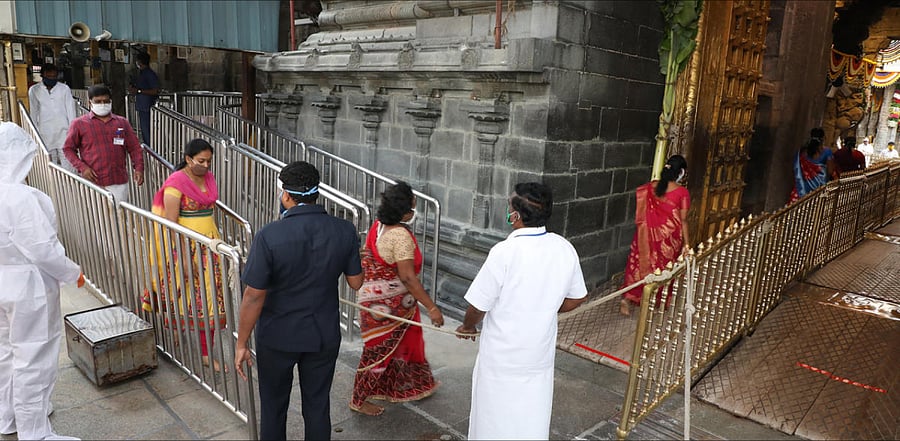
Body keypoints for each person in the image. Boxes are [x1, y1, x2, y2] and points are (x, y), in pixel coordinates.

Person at [234, 161, 363, 441]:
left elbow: (253, 295)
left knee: (273, 407)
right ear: (316, 193)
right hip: (323, 333)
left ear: (286, 196)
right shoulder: (344, 230)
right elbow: (356, 282)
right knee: (317, 406)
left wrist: (242, 342)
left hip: (278, 335)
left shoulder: (269, 235)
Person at [455, 182, 587, 440]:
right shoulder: (563, 248)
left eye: (509, 207)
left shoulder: (504, 252)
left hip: (501, 358)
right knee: (531, 414)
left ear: (515, 216)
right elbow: (578, 297)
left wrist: (468, 326)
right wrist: (547, 306)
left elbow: (478, 305)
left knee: (494, 416)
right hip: (538, 355)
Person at [0, 121, 84, 441]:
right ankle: (34, 431)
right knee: (33, 356)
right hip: (27, 285)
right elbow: (42, 249)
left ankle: (9, 417)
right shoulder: (20, 197)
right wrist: (72, 272)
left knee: (6, 354)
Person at [350, 181, 443, 417]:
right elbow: (408, 278)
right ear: (404, 213)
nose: (414, 211)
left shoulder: (378, 226)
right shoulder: (400, 237)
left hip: (375, 299)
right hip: (389, 307)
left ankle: (397, 386)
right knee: (377, 354)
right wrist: (432, 308)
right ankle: (358, 399)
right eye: (412, 207)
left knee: (402, 344)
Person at [141, 139, 225, 371]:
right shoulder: (175, 183)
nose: (206, 165)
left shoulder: (208, 178)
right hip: (185, 247)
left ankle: (206, 353)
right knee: (180, 294)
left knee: (210, 299)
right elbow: (171, 224)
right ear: (188, 159)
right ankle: (176, 329)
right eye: (201, 161)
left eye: (209, 161)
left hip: (210, 245)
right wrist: (186, 258)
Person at [619, 155, 691, 317]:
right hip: (668, 240)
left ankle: (627, 299)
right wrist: (687, 244)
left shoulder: (651, 187)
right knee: (663, 269)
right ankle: (657, 300)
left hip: (645, 236)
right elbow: (684, 220)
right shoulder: (682, 192)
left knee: (638, 266)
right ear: (681, 172)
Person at [63, 84, 144, 203]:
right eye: (98, 101)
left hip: (118, 181)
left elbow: (135, 147)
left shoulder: (122, 123)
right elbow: (68, 149)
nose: (102, 104)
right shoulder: (79, 124)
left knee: (119, 213)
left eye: (106, 101)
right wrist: (83, 168)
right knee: (95, 214)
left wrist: (139, 168)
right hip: (93, 182)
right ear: (90, 103)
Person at [27, 64, 77, 172]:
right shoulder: (34, 90)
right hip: (45, 133)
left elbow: (71, 111)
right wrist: (35, 134)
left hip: (64, 131)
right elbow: (33, 113)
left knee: (68, 164)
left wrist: (72, 130)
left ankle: (69, 183)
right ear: (42, 76)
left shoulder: (64, 89)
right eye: (49, 76)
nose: (52, 78)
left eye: (54, 76)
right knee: (50, 165)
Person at [129, 52, 159, 146]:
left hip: (147, 106)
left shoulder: (149, 74)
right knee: (144, 130)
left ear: (140, 62)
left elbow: (155, 90)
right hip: (142, 106)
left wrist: (138, 91)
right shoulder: (141, 74)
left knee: (147, 130)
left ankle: (150, 148)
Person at [789, 138, 828, 203]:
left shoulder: (800, 161)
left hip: (797, 194)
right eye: (820, 151)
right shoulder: (820, 170)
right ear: (816, 153)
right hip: (811, 200)